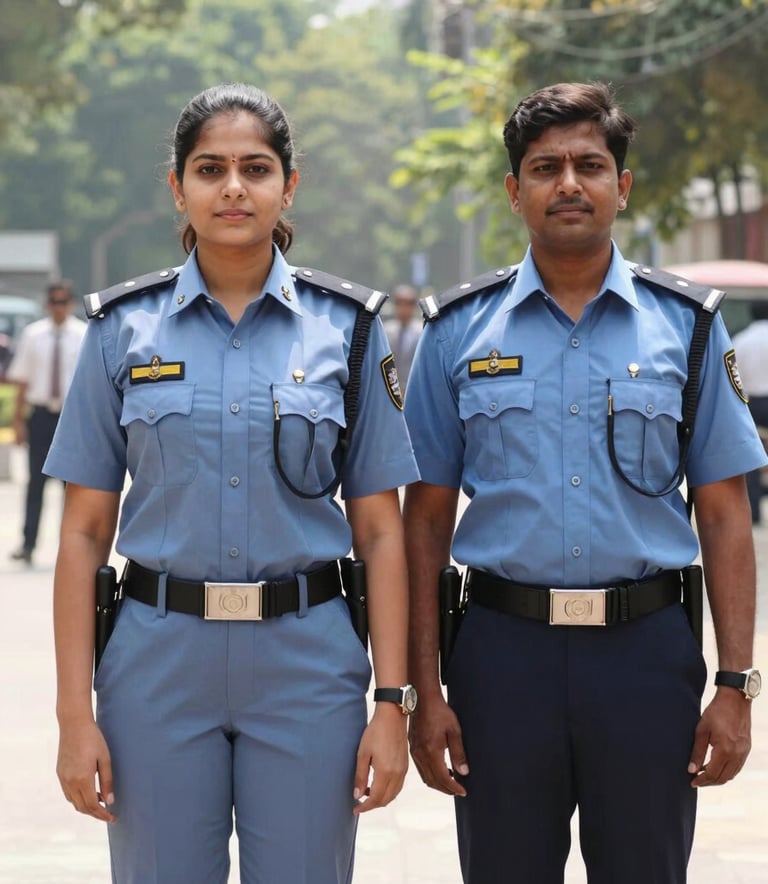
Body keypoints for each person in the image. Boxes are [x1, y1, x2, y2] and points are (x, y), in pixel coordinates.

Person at [44, 83, 420, 884]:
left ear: (289, 184)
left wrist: (393, 702)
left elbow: (382, 531)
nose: (234, 188)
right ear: (178, 186)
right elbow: (80, 535)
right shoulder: (121, 330)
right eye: (210, 169)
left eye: (256, 167)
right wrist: (75, 714)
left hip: (308, 661)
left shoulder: (348, 329)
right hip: (156, 661)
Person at [403, 82, 765, 884]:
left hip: (644, 656)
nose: (569, 183)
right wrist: (421, 692)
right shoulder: (457, 331)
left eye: (590, 166)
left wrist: (737, 684)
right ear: (514, 190)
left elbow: (725, 513)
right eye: (545, 167)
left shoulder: (689, 326)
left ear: (622, 186)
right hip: (500, 658)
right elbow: (421, 522)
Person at [6, 281, 86, 565]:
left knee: (73, 487)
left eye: (63, 302)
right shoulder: (33, 334)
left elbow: (91, 385)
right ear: (47, 304)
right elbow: (22, 380)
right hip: (40, 416)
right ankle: (28, 544)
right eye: (54, 302)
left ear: (71, 304)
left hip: (72, 418)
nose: (58, 307)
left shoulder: (84, 334)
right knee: (35, 484)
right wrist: (18, 421)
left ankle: (71, 546)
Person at [732, 300, 768, 524]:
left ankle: (753, 512)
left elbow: (736, 378)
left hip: (752, 403)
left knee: (752, 459)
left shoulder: (741, 340)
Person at [382, 283, 422, 393]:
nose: (403, 309)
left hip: (414, 391)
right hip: (391, 392)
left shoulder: (422, 332)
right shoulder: (386, 331)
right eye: (399, 304)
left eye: (407, 304)